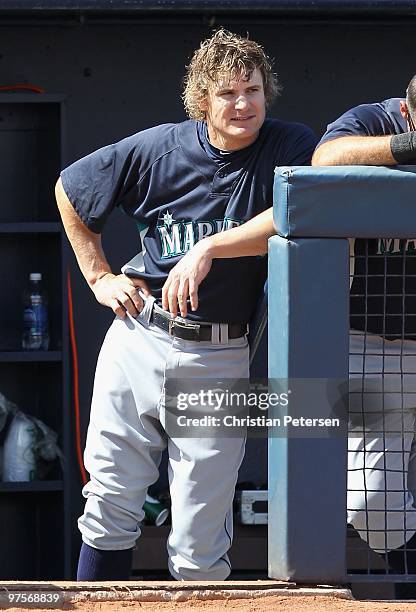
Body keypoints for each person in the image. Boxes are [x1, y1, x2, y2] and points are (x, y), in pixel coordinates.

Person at [55, 28, 317, 581]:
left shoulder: (287, 144)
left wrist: (209, 247)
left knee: (200, 538)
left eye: (252, 89)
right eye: (227, 93)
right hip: (140, 334)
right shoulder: (161, 148)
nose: (243, 104)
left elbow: (298, 207)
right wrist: (100, 277)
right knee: (109, 504)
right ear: (203, 101)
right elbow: (71, 189)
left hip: (217, 354)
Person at [312, 77, 416, 589]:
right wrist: (406, 149)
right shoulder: (379, 120)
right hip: (378, 345)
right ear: (406, 111)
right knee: (373, 507)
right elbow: (323, 162)